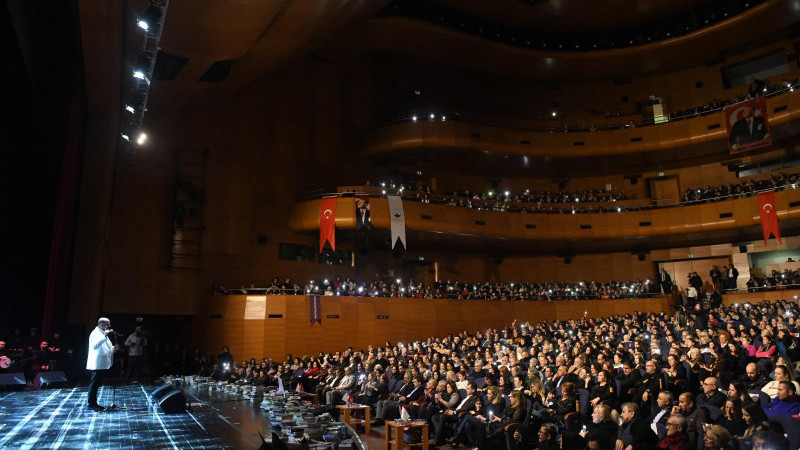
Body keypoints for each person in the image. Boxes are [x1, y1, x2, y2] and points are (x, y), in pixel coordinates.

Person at [86, 317, 120, 411]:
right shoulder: (95, 333)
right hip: (97, 363)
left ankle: (93, 402)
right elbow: (95, 346)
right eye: (108, 324)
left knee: (97, 384)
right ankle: (91, 403)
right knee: (94, 384)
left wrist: (113, 349)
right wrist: (104, 336)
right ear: (101, 324)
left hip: (102, 363)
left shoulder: (103, 333)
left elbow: (106, 348)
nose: (109, 326)